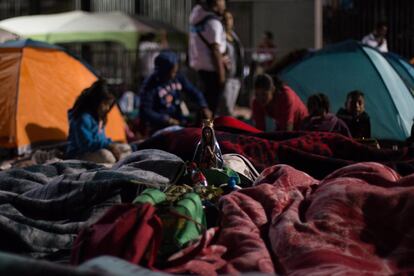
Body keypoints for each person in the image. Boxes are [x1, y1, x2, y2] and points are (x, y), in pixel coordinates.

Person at [139, 50, 212, 134]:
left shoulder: (178, 77)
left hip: (179, 120)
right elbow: (145, 111)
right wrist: (165, 119)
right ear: (164, 70)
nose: (174, 74)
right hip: (160, 127)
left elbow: (194, 92)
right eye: (172, 71)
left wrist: (204, 106)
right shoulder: (150, 85)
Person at [66, 80, 131, 163]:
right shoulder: (82, 117)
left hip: (96, 150)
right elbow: (85, 144)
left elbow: (101, 139)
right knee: (106, 156)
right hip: (79, 154)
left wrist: (111, 145)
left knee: (126, 148)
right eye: (105, 104)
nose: (107, 108)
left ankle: (118, 161)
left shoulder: (99, 117)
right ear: (95, 101)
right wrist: (108, 145)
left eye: (109, 105)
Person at [189, 0, 227, 114]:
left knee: (201, 107)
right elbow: (215, 50)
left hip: (197, 69)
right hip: (212, 72)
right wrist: (222, 77)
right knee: (210, 110)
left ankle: (199, 130)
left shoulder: (196, 15)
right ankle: (207, 131)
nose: (224, 4)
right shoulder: (213, 23)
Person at [216, 10, 244, 116]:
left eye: (230, 18)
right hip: (226, 77)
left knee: (230, 109)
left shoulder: (234, 36)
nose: (228, 21)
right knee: (226, 109)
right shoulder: (220, 36)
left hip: (236, 77)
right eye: (225, 18)